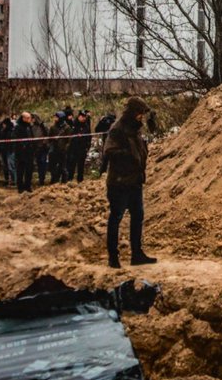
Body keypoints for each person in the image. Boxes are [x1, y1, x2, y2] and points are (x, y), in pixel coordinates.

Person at [102, 97, 156, 268]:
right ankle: (113, 256)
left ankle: (137, 254)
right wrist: (129, 155)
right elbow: (109, 151)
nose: (141, 117)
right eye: (140, 113)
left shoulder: (135, 130)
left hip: (134, 181)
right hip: (119, 182)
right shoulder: (118, 129)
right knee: (116, 217)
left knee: (137, 216)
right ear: (133, 113)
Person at [12, 112, 36, 193]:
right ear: (24, 118)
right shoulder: (18, 127)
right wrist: (23, 146)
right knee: (20, 171)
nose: (30, 120)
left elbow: (32, 137)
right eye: (28, 118)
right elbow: (15, 140)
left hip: (30, 152)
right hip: (21, 153)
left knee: (29, 170)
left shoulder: (29, 127)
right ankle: (20, 188)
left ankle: (28, 186)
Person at [66, 110, 93, 183]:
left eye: (85, 117)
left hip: (82, 148)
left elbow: (89, 136)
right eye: (82, 117)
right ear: (79, 116)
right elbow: (69, 136)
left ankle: (80, 180)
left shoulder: (86, 126)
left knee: (81, 165)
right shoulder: (74, 125)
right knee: (72, 164)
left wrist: (88, 146)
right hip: (73, 148)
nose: (83, 118)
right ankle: (70, 179)